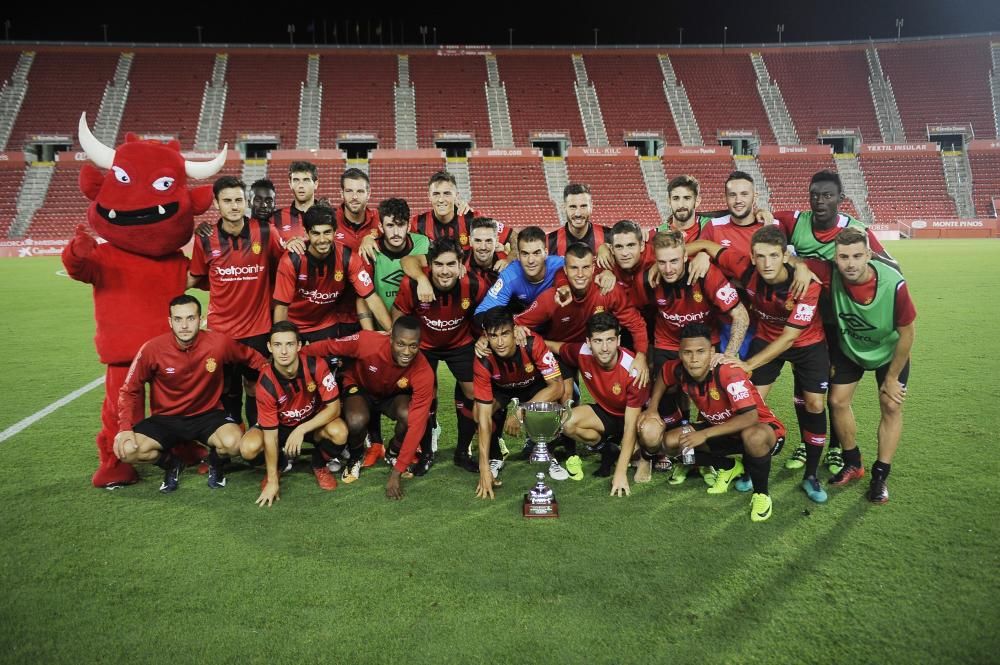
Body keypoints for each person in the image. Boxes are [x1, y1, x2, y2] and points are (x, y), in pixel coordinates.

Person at [691, 225, 830, 503]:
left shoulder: (806, 285)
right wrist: (693, 254)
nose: (767, 263)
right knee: (747, 408)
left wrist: (747, 364)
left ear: (785, 256)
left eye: (773, 256)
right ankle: (752, 466)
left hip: (806, 343)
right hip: (767, 338)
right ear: (752, 257)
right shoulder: (746, 268)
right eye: (760, 256)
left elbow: (790, 337)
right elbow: (707, 243)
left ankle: (811, 475)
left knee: (815, 404)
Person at [774, 170, 900, 475]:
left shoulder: (855, 230)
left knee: (833, 391)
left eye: (827, 195)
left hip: (843, 322)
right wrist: (798, 263)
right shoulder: (795, 221)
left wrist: (838, 269)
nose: (820, 201)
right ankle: (808, 442)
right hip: (809, 320)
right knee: (804, 384)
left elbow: (892, 265)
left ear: (841, 199)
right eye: (814, 195)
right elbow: (765, 230)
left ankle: (833, 449)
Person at [113, 295, 268, 493]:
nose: (184, 325)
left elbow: (252, 358)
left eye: (190, 318)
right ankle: (172, 463)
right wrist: (125, 427)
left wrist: (271, 376)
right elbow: (129, 391)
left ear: (201, 319)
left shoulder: (218, 343)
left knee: (235, 444)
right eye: (178, 319)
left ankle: (214, 461)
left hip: (207, 414)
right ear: (170, 321)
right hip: (166, 419)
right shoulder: (152, 349)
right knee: (126, 451)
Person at [807, 228, 916, 503]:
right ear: (836, 257)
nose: (850, 263)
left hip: (889, 351)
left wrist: (892, 378)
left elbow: (907, 333)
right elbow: (791, 260)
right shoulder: (829, 272)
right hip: (850, 348)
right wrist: (798, 267)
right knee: (837, 401)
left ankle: (880, 476)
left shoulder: (894, 283)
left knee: (891, 404)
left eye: (857, 255)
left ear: (869, 254)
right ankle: (853, 462)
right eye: (844, 257)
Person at [637, 323, 786, 522]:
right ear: (680, 354)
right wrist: (653, 407)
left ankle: (761, 495)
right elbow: (664, 375)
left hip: (764, 432)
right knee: (670, 442)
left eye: (700, 351)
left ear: (712, 352)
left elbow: (751, 417)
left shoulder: (727, 372)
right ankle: (728, 465)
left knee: (754, 436)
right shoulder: (680, 370)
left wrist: (704, 434)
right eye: (687, 352)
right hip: (721, 431)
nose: (694, 358)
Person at [187, 176, 289, 427]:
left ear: (246, 202)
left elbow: (286, 266)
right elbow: (194, 277)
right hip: (221, 332)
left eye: (239, 200)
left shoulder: (265, 232)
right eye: (228, 201)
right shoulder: (204, 239)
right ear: (216, 204)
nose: (234, 206)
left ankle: (257, 435)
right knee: (226, 388)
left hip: (258, 329)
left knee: (256, 386)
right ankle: (233, 436)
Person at [302, 318, 435, 499]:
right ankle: (356, 456)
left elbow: (418, 424)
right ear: (390, 339)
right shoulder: (367, 342)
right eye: (401, 344)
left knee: (409, 415)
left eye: (413, 346)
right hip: (359, 386)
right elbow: (331, 346)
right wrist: (300, 352)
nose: (406, 352)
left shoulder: (423, 370)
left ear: (420, 344)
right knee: (356, 420)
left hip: (392, 395)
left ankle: (393, 452)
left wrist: (397, 473)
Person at [392, 238, 488, 474]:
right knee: (425, 397)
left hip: (460, 342)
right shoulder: (412, 284)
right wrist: (401, 344)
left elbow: (488, 311)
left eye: (450, 264)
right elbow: (399, 312)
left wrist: (485, 336)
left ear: (460, 265)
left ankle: (462, 451)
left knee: (473, 394)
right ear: (430, 265)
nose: (445, 271)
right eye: (439, 265)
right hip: (424, 346)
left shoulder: (474, 284)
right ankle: (426, 452)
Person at [240, 321, 348, 505]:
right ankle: (280, 463)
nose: (283, 351)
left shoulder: (316, 365)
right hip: (280, 427)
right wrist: (273, 481)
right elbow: (270, 435)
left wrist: (301, 429)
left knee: (340, 432)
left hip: (312, 423)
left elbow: (334, 408)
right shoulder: (265, 383)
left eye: (289, 344)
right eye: (277, 345)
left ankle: (319, 462)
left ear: (299, 346)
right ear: (269, 347)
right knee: (247, 448)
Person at [545, 313, 649, 496]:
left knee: (648, 435)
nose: (605, 348)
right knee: (566, 422)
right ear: (588, 342)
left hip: (635, 418)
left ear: (618, 340)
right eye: (598, 341)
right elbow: (556, 347)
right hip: (607, 414)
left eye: (610, 340)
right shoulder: (582, 352)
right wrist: (526, 337)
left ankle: (644, 457)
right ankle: (606, 448)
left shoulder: (632, 369)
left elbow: (630, 425)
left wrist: (620, 474)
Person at [473, 307, 563, 499]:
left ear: (515, 330)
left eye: (505, 334)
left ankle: (548, 452)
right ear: (486, 336)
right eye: (493, 336)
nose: (499, 342)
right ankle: (494, 458)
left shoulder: (532, 343)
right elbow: (482, 416)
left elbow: (557, 387)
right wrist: (483, 469)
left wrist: (520, 410)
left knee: (557, 397)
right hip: (502, 389)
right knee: (477, 412)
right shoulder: (483, 358)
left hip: (532, 386)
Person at [272, 204, 392, 342]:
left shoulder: (348, 258)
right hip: (293, 326)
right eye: (316, 233)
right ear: (306, 233)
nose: (322, 240)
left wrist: (392, 333)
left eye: (327, 232)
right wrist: (279, 343)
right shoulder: (291, 260)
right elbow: (281, 307)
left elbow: (371, 298)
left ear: (335, 231)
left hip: (326, 325)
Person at [473, 226, 565, 319]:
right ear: (518, 256)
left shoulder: (561, 265)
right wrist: (509, 326)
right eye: (525, 254)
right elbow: (480, 313)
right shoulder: (509, 275)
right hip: (520, 325)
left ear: (546, 253)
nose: (530, 260)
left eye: (536, 253)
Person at [410, 170, 513, 251]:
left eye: (447, 193)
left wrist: (509, 258)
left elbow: (513, 236)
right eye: (436, 194)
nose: (441, 200)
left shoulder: (473, 218)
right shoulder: (418, 223)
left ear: (456, 196)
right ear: (429, 197)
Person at [547, 183, 612, 255]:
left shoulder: (610, 237)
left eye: (583, 206)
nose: (578, 213)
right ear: (564, 207)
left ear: (591, 206)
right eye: (573, 207)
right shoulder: (548, 242)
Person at [270, 160, 320, 246]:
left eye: (306, 180)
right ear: (290, 184)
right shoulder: (274, 219)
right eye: (296, 180)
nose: (301, 185)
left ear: (315, 184)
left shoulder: (331, 215)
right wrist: (285, 248)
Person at [465, 217, 509, 289]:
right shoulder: (459, 263)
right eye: (478, 241)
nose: (483, 247)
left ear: (497, 241)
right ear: (470, 241)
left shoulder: (509, 266)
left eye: (488, 241)